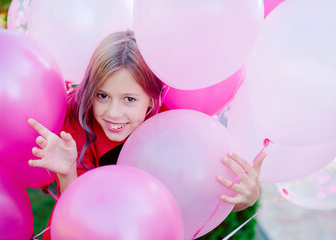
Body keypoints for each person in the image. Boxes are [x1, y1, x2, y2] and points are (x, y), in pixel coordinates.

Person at [28, 30, 266, 238]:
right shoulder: (78, 124)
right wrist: (68, 173)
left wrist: (247, 197)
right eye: (102, 96)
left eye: (129, 99)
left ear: (150, 100)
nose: (113, 113)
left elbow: (202, 197)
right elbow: (76, 214)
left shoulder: (172, 131)